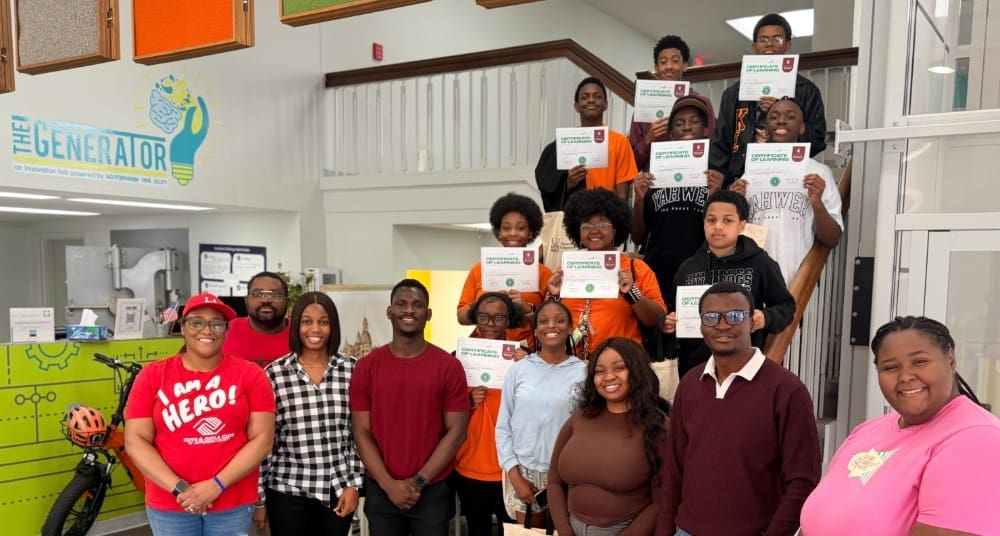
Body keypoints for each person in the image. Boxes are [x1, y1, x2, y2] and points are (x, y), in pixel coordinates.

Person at [800, 316, 1000, 535]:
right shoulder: (868, 431)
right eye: (891, 367)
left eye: (920, 362)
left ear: (950, 360)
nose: (905, 376)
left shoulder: (975, 439)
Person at [658, 282, 820, 536]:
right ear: (701, 325)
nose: (722, 325)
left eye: (734, 316)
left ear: (752, 321)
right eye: (711, 317)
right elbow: (674, 468)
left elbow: (803, 481)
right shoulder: (691, 383)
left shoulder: (787, 390)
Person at [124, 292, 276, 535]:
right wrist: (182, 490)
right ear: (183, 328)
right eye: (196, 322)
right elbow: (135, 441)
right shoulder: (152, 376)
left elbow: (262, 440)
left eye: (217, 324)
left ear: (226, 331)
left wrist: (216, 486)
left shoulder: (251, 375)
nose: (207, 330)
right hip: (170, 504)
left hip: (232, 502)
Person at [349, 279, 469, 535]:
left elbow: (457, 431)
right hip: (381, 488)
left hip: (432, 488)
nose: (409, 310)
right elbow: (361, 431)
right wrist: (388, 484)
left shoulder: (448, 366)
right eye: (401, 304)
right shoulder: (366, 367)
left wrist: (418, 481)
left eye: (417, 305)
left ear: (428, 314)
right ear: (389, 311)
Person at [255, 292, 362, 535]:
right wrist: (260, 498)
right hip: (287, 490)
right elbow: (265, 442)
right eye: (307, 321)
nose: (315, 329)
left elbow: (359, 434)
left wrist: (353, 485)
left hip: (338, 490)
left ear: (332, 326)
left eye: (323, 321)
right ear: (296, 326)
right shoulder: (274, 374)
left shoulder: (353, 369)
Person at [662, 190, 795, 377]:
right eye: (711, 220)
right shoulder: (688, 267)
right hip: (695, 368)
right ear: (703, 224)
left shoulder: (761, 263)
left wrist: (766, 317)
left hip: (745, 367)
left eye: (727, 220)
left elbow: (786, 306)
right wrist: (670, 321)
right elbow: (671, 309)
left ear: (742, 226)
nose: (718, 226)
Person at [548, 337, 668, 535]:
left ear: (637, 371)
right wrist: (564, 529)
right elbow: (554, 481)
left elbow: (662, 500)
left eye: (619, 368)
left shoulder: (657, 427)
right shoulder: (579, 419)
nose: (608, 377)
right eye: (600, 371)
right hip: (570, 527)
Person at [729, 97, 843, 284]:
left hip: (799, 277)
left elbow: (832, 238)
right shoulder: (750, 172)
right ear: (766, 127)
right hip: (755, 279)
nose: (781, 121)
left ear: (802, 128)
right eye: (774, 117)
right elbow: (736, 232)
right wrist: (734, 201)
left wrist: (816, 202)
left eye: (790, 117)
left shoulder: (818, 173)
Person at [496, 300, 586, 527]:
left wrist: (566, 476)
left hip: (564, 475)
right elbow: (503, 427)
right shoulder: (519, 370)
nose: (551, 326)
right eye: (543, 321)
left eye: (559, 320)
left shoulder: (583, 373)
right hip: (523, 472)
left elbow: (587, 431)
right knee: (529, 533)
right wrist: (515, 477)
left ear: (569, 328)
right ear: (535, 330)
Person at [710, 13, 827, 186]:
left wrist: (781, 112)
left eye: (777, 39)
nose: (769, 44)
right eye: (763, 40)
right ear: (754, 47)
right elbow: (721, 140)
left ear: (788, 45)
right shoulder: (733, 93)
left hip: (789, 176)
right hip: (742, 179)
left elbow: (818, 139)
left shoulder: (806, 90)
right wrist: (722, 177)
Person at [547, 188, 666, 357]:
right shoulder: (566, 270)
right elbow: (549, 321)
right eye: (586, 225)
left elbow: (657, 318)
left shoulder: (636, 268)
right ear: (578, 232)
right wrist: (554, 296)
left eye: (603, 224)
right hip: (571, 364)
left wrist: (632, 292)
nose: (594, 230)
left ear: (616, 229)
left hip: (622, 363)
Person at [631, 96, 725, 309]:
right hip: (658, 274)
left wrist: (715, 195)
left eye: (694, 121)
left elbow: (723, 232)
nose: (687, 127)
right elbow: (637, 236)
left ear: (705, 130)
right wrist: (638, 199)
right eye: (679, 123)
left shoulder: (715, 177)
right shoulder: (654, 175)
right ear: (670, 133)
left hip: (703, 274)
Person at [449, 292, 524, 535]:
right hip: (468, 467)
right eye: (484, 316)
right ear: (475, 319)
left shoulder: (525, 359)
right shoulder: (456, 359)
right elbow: (441, 413)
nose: (491, 324)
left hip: (511, 469)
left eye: (499, 317)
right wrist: (467, 403)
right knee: (477, 530)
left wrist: (530, 365)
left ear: (509, 321)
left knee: (512, 530)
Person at [457, 193, 552, 347]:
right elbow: (461, 317)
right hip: (486, 351)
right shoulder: (479, 269)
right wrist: (485, 305)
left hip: (527, 353)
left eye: (521, 228)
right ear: (499, 233)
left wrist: (527, 309)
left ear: (530, 233)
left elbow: (554, 323)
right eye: (506, 228)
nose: (513, 233)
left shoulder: (544, 274)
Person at [535, 77, 639, 206]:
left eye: (597, 96)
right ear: (576, 106)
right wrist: (569, 183)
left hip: (607, 217)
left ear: (606, 104)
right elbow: (550, 188)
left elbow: (622, 194)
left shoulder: (620, 142)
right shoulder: (564, 144)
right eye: (585, 97)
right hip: (575, 217)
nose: (591, 100)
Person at [627, 35, 717, 172]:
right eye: (663, 62)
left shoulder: (702, 103)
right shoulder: (643, 107)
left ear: (685, 65)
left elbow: (714, 151)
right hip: (654, 185)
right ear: (656, 68)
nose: (669, 67)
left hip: (693, 180)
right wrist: (649, 139)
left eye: (675, 61)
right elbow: (631, 164)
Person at [223, 271, 292, 367]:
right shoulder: (227, 331)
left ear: (287, 302)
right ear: (246, 300)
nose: (266, 300)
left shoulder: (301, 333)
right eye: (257, 295)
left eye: (275, 295)